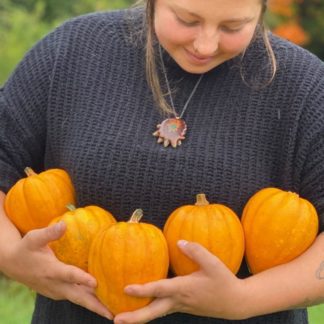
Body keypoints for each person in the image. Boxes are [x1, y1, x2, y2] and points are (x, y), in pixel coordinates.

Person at [0, 0, 323, 323]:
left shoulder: (304, 88)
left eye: (232, 27)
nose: (205, 44)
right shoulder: (72, 51)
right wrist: (12, 257)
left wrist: (243, 300)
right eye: (186, 19)